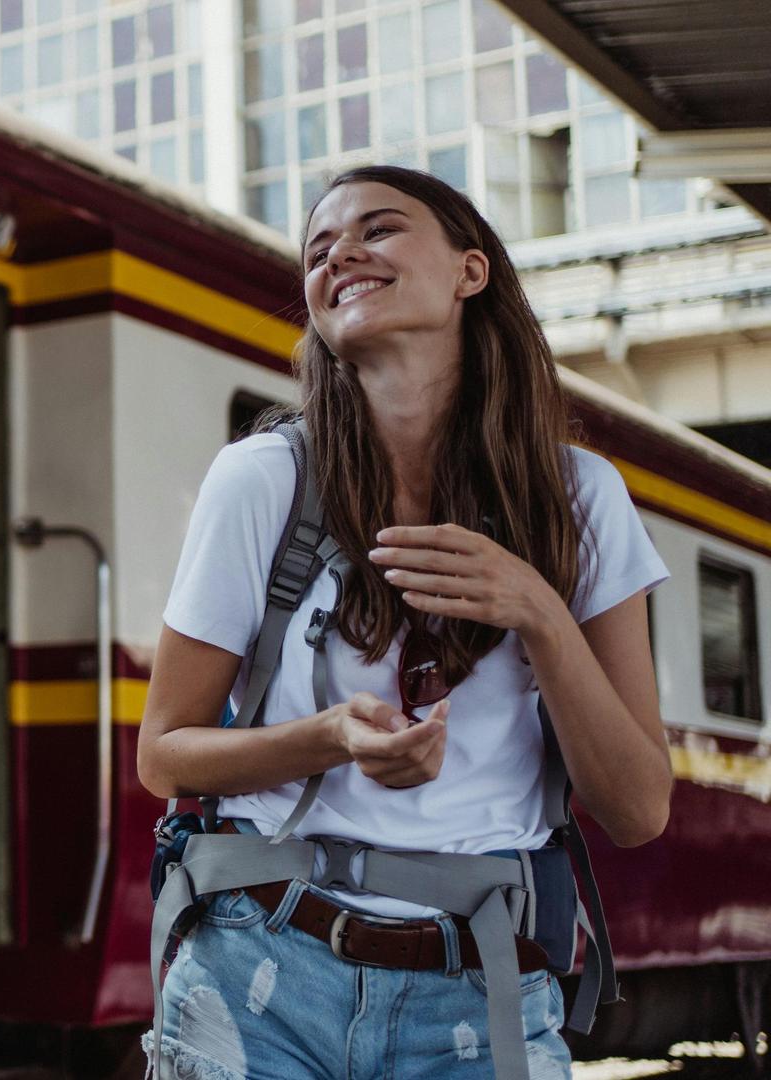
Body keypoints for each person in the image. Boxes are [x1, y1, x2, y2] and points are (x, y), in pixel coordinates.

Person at [139, 166, 671, 1079]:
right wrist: (330, 737)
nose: (340, 252)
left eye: (378, 230)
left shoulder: (583, 499)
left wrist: (541, 614)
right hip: (257, 970)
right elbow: (164, 754)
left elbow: (638, 809)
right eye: (319, 250)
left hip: (479, 986)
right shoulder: (264, 478)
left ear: (471, 272)